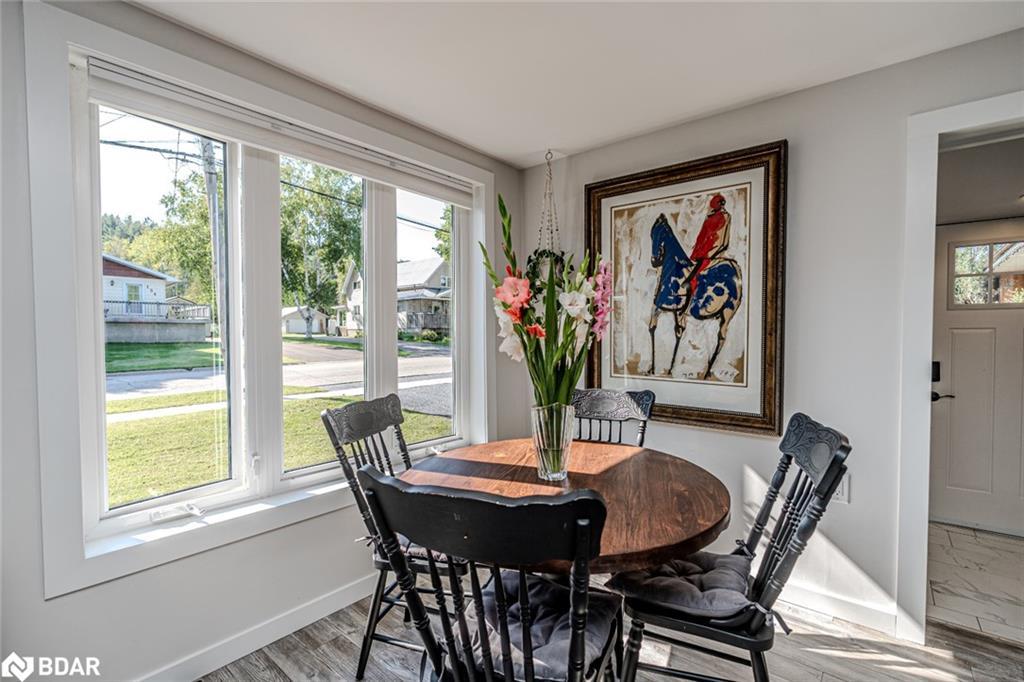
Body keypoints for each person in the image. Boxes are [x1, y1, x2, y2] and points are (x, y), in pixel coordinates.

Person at [687, 193, 731, 295]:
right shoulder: (710, 216)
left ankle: (693, 292)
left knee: (695, 275)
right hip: (703, 249)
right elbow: (702, 235)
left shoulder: (725, 216)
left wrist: (712, 253)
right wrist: (697, 249)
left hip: (711, 250)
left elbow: (722, 239)